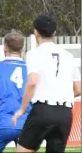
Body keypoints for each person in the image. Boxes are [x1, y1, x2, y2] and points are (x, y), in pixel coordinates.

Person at [12, 14, 81, 153]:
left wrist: (22, 109)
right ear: (54, 33)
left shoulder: (34, 54)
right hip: (65, 113)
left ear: (36, 32)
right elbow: (78, 89)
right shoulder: (69, 56)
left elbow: (32, 82)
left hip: (43, 110)